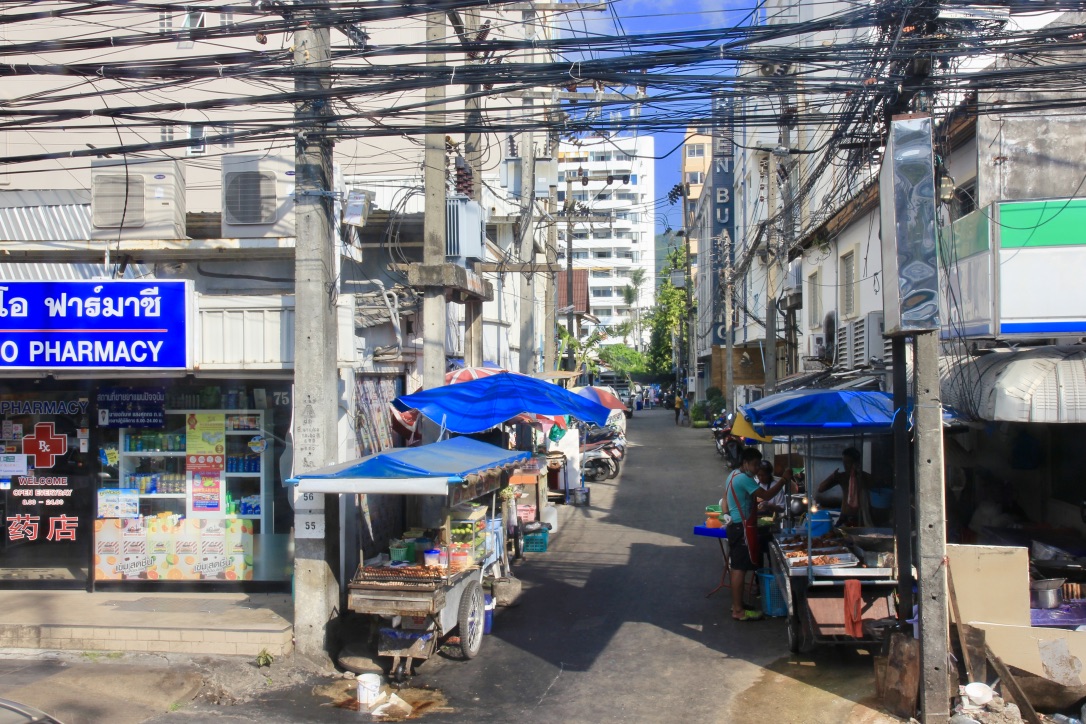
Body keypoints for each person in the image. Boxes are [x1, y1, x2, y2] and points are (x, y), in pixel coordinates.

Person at [725, 448, 787, 621]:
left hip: (736, 526)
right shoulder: (744, 479)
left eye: (758, 464)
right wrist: (783, 480)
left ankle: (738, 604)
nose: (757, 468)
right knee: (739, 569)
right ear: (745, 463)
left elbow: (724, 500)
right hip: (741, 527)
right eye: (754, 465)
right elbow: (766, 495)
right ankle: (738, 610)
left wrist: (727, 516)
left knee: (739, 567)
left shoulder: (732, 475)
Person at [816, 446, 876, 526]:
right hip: (844, 516)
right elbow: (820, 489)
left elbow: (875, 487)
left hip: (860, 517)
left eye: (848, 462)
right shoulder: (842, 477)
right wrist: (832, 476)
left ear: (856, 463)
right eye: (844, 462)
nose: (845, 465)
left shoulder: (865, 477)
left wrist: (859, 476)